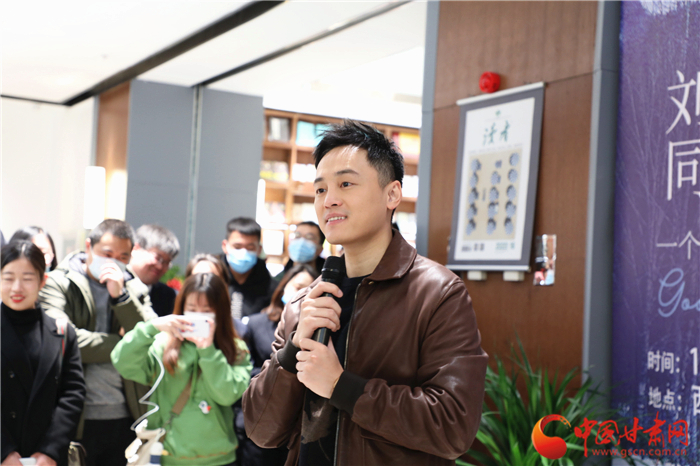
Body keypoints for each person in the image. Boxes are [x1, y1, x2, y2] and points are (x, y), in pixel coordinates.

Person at [243, 120, 488, 465]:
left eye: (345, 183)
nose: (329, 200)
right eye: (320, 190)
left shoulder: (437, 293)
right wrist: (293, 349)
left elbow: (453, 426)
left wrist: (342, 386)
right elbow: (260, 429)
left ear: (392, 194)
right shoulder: (305, 302)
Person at [38, 219, 157, 466]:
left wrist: (121, 297)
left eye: (123, 257)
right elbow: (62, 339)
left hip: (126, 414)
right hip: (74, 415)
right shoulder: (59, 282)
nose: (114, 262)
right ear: (88, 246)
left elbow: (150, 339)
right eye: (107, 254)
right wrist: (124, 343)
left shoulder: (133, 287)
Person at [111, 273, 252, 466]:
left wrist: (208, 350)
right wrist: (152, 327)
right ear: (182, 308)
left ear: (220, 311)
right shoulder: (163, 343)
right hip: (166, 456)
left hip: (218, 459)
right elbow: (123, 362)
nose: (198, 316)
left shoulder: (236, 349)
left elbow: (227, 395)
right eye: (192, 309)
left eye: (207, 310)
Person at [2, 241, 86, 466]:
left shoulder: (61, 332)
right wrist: (4, 452)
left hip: (45, 459)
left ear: (42, 281)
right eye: (8, 278)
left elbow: (72, 394)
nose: (17, 288)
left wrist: (50, 450)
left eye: (27, 278)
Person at [238, 264, 318, 466]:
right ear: (283, 287)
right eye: (298, 287)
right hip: (264, 414)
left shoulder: (319, 329)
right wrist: (277, 371)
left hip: (296, 424)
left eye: (308, 289)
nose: (303, 294)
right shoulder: (256, 323)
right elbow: (245, 368)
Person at [218, 217, 276, 321]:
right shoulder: (213, 275)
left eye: (250, 248)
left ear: (259, 250)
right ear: (225, 246)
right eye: (237, 247)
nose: (243, 252)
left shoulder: (270, 287)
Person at [129, 225, 180, 317]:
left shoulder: (168, 296)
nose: (160, 266)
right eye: (158, 258)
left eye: (167, 262)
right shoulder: (114, 283)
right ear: (136, 249)